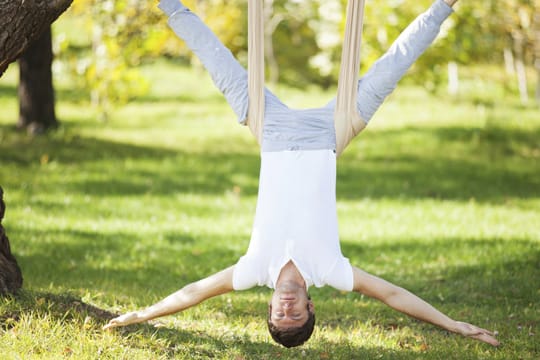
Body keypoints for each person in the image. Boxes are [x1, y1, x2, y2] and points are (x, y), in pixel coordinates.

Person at [104, 0, 500, 348]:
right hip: (333, 129)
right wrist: (452, 324)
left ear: (270, 307)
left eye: (280, 316)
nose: (288, 309)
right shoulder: (330, 269)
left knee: (215, 57)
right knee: (394, 64)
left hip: (269, 127)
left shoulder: (253, 269)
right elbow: (394, 295)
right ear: (312, 306)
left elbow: (192, 293)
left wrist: (142, 315)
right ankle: (445, 4)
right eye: (297, 316)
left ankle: (167, 3)